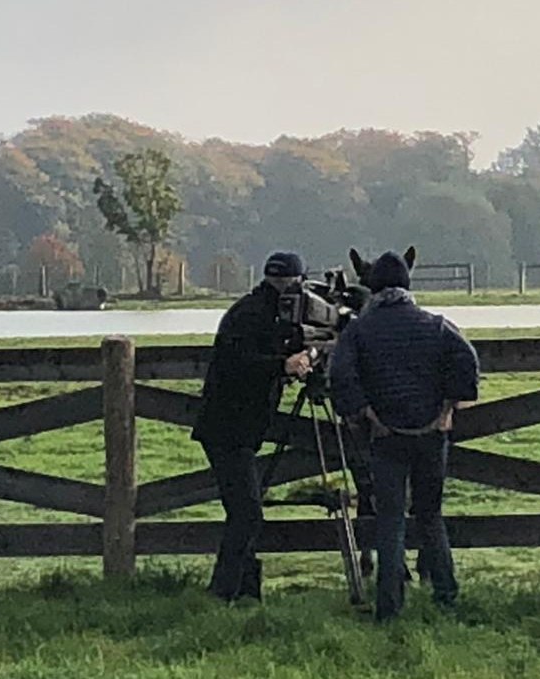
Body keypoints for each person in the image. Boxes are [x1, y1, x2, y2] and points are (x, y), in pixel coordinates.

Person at [330, 248, 479, 620]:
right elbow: (467, 362)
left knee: (390, 520)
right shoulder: (436, 324)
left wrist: (363, 411)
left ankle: (389, 606)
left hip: (387, 435)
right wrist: (448, 409)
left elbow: (340, 376)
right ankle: (446, 596)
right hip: (431, 433)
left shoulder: (360, 329)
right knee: (430, 515)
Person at [191, 252, 313, 601]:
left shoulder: (254, 310)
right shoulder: (256, 314)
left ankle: (245, 591)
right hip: (230, 429)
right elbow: (240, 365)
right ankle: (223, 592)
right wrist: (283, 365)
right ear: (295, 283)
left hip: (233, 427)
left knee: (244, 511)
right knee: (247, 514)